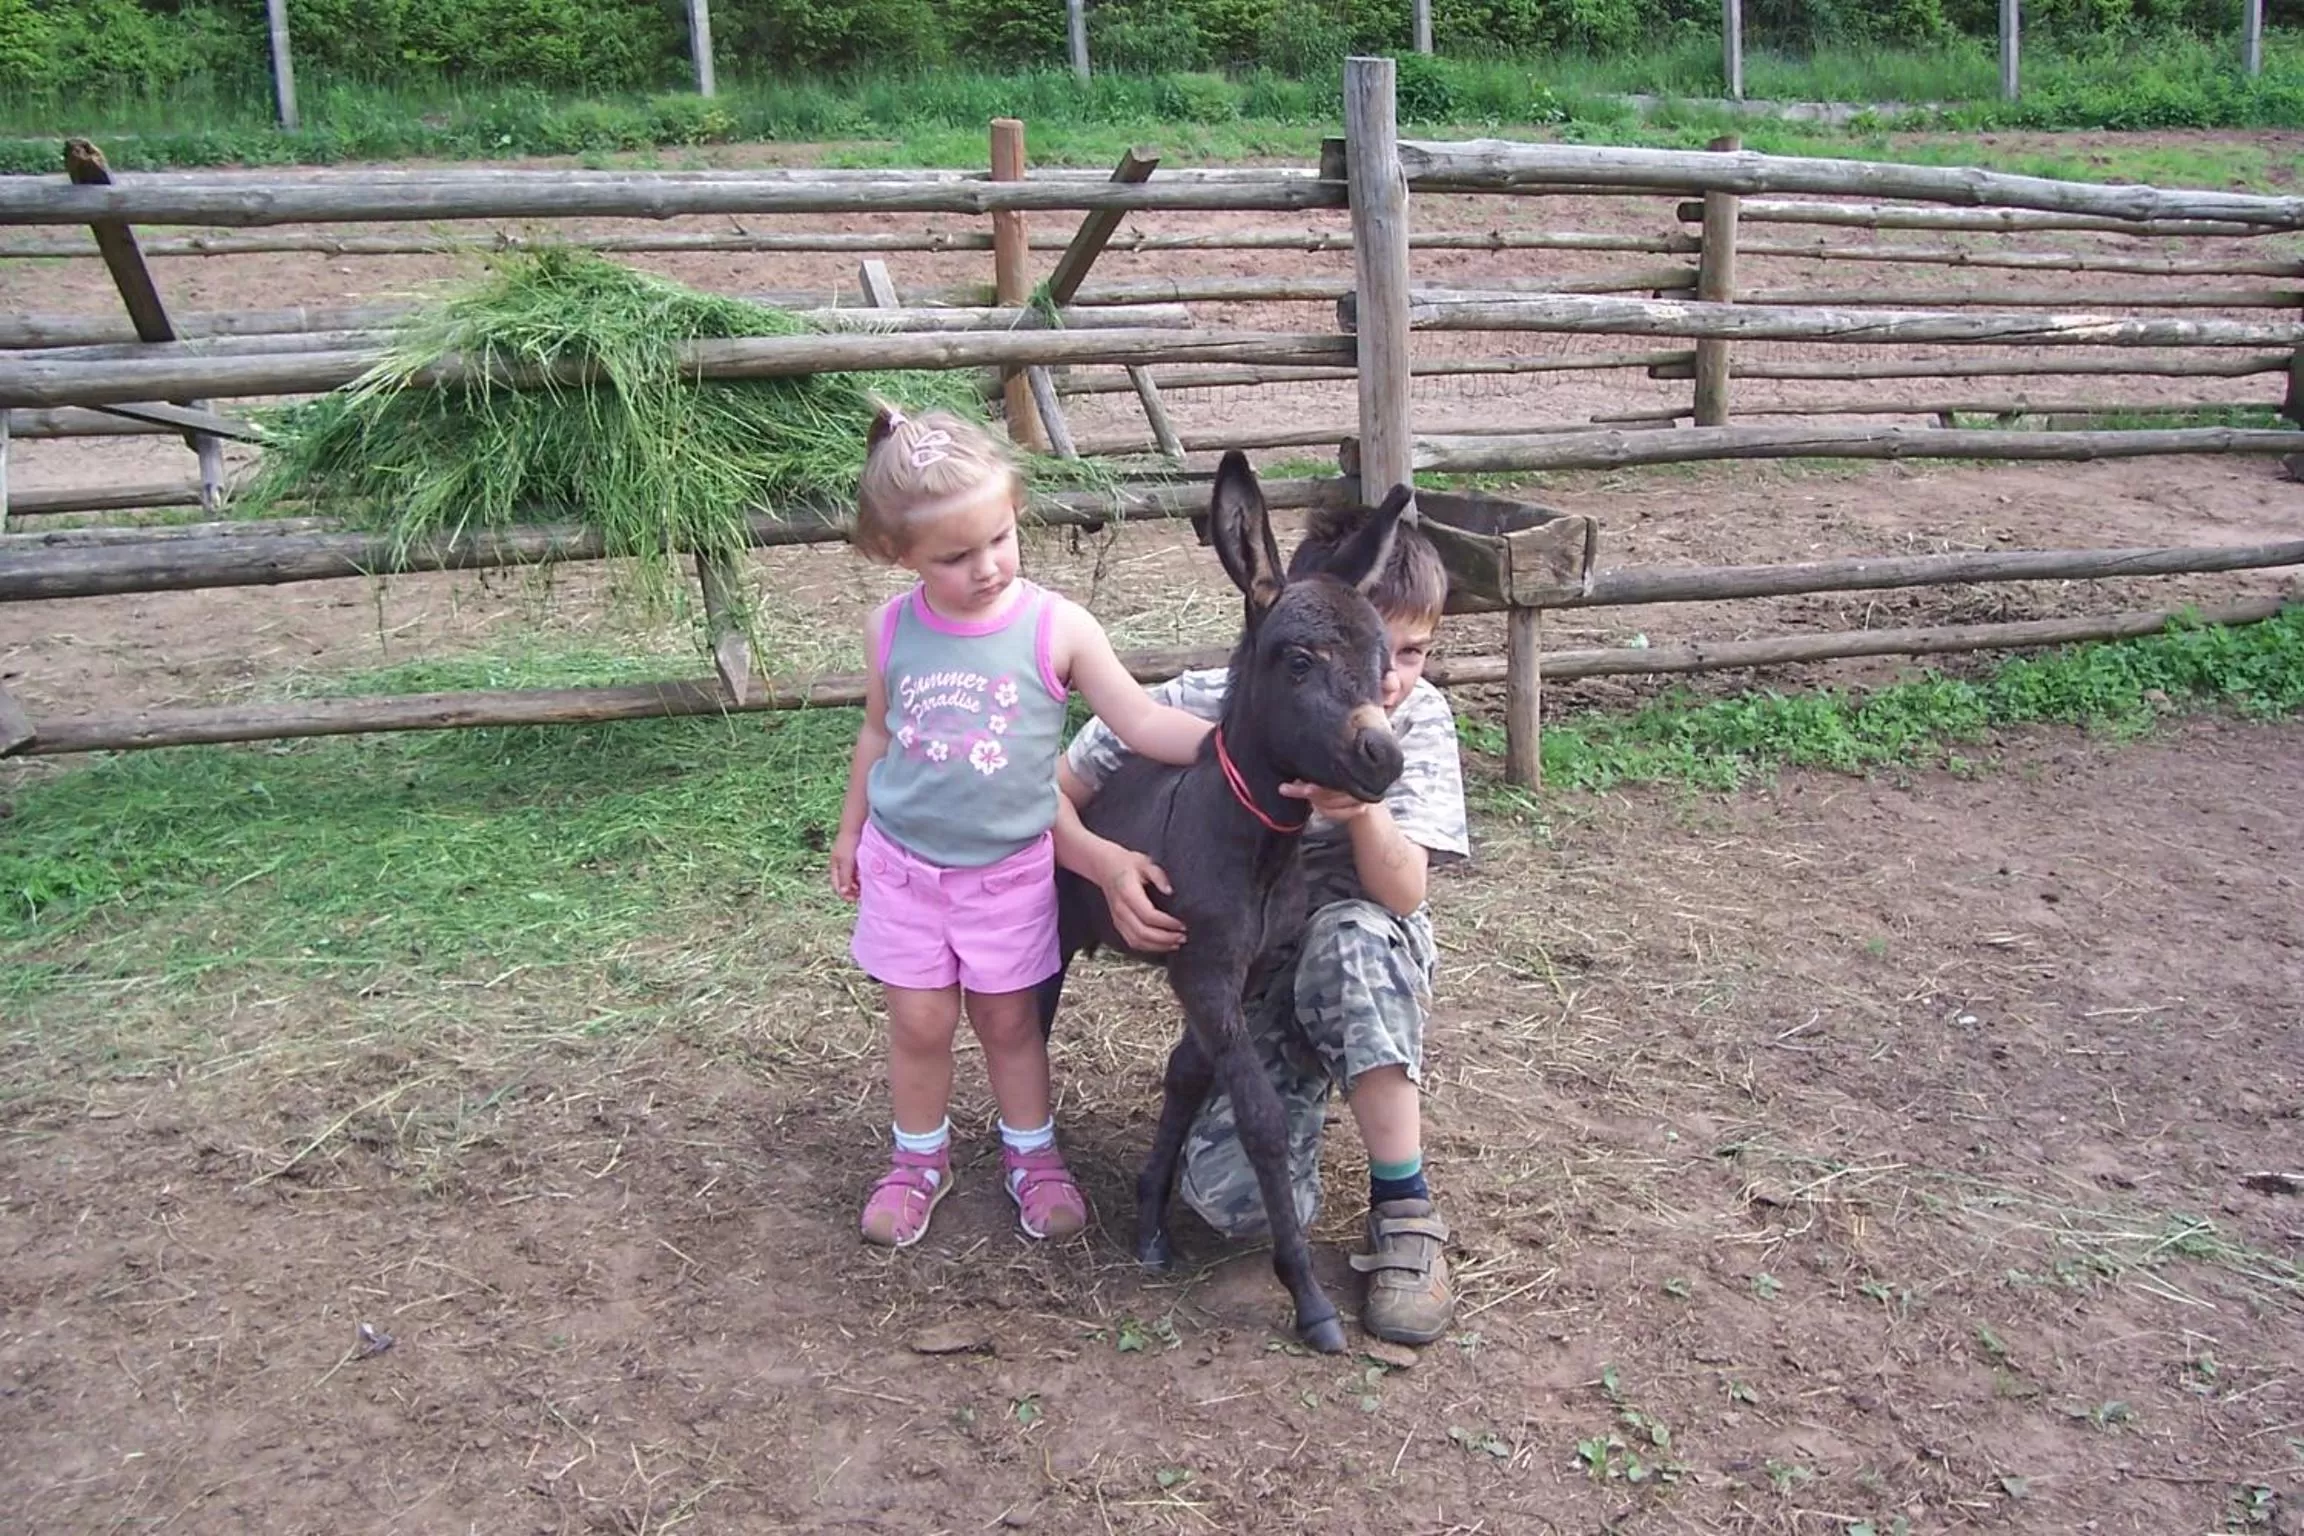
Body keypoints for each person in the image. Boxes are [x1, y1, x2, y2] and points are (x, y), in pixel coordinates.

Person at [1053, 504, 1469, 1345]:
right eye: (1359, 651)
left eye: (1406, 655)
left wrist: (1362, 807)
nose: (1383, 683)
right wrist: (1106, 864)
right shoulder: (1217, 698)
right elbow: (1057, 787)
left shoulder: (1412, 724)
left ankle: (1404, 1205)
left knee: (1354, 940)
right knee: (1228, 1203)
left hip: (1353, 956)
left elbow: (1403, 893)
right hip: (1257, 969)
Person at [831, 403, 1214, 1251]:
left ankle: (1032, 1155)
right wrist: (852, 830)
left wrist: (1229, 751)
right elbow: (878, 735)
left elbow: (1140, 722)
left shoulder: (1057, 627)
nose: (987, 567)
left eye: (1000, 539)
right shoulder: (890, 629)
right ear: (899, 554)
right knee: (920, 1023)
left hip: (1006, 874)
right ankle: (918, 1160)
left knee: (1009, 1023)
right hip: (904, 869)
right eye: (955, 557)